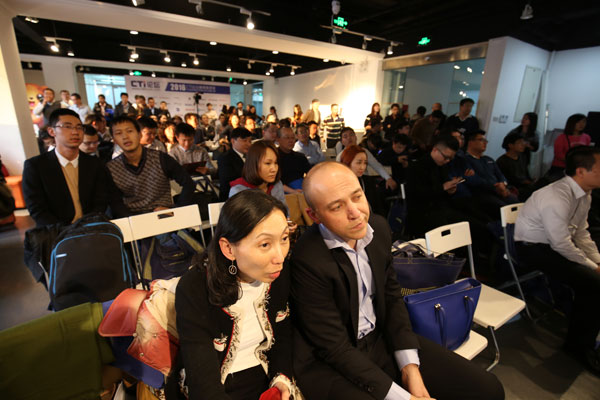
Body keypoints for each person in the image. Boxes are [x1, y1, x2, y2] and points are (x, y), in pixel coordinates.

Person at [290, 161, 505, 400]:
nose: (356, 212)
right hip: (332, 360)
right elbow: (333, 347)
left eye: (357, 196)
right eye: (337, 207)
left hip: (380, 338)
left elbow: (392, 297)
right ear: (314, 216)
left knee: (488, 389)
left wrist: (410, 368)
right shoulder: (307, 259)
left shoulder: (378, 228)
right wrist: (404, 398)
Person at [176, 190, 299, 399]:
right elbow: (203, 384)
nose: (279, 256)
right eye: (265, 244)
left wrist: (281, 379)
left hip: (264, 376)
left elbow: (282, 333)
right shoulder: (194, 287)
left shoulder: (278, 273)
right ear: (229, 249)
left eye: (284, 238)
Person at [515, 146, 600, 375]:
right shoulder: (557, 196)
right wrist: (593, 267)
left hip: (551, 245)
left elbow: (581, 232)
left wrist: (597, 261)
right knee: (593, 283)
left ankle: (582, 339)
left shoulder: (584, 194)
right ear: (581, 171)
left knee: (592, 282)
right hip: (532, 248)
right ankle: (578, 347)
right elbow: (561, 243)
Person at [23, 109, 108, 226]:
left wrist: (89, 226)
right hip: (55, 231)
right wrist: (65, 231)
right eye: (67, 127)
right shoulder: (35, 166)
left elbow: (100, 202)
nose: (75, 132)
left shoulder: (94, 164)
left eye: (79, 127)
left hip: (90, 228)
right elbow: (37, 209)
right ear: (52, 131)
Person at [106, 115, 195, 217]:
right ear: (114, 140)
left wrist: (176, 209)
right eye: (118, 133)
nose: (125, 137)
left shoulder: (160, 158)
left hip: (163, 216)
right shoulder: (111, 168)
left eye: (129, 131)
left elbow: (189, 183)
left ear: (139, 134)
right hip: (133, 220)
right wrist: (134, 219)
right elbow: (115, 203)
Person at [464, 130, 518, 217]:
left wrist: (503, 184)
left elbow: (500, 175)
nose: (485, 143)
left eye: (486, 141)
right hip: (482, 193)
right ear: (471, 142)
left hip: (500, 190)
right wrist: (496, 187)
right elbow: (474, 179)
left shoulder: (488, 159)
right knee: (504, 208)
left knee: (516, 203)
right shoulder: (466, 160)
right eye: (481, 140)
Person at [336, 127, 397, 192]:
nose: (349, 138)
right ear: (342, 142)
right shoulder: (340, 156)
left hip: (364, 182)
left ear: (356, 137)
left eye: (351, 135)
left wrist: (388, 178)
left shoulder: (364, 151)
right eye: (345, 136)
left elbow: (376, 165)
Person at [229, 141, 286, 207]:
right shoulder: (239, 191)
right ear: (253, 164)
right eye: (268, 163)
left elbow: (284, 211)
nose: (274, 169)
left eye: (276, 163)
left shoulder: (277, 185)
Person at [340, 145, 385, 214]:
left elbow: (378, 207)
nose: (362, 167)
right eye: (359, 163)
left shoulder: (368, 181)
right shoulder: (339, 184)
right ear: (347, 162)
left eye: (365, 163)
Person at [496, 132, 535, 201]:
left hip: (525, 187)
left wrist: (531, 180)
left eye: (523, 142)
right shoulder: (502, 161)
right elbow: (507, 180)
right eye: (519, 142)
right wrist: (526, 182)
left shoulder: (522, 157)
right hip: (513, 189)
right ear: (510, 145)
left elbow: (526, 174)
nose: (523, 144)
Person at [218, 127, 253, 201]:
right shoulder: (225, 158)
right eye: (245, 141)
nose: (248, 144)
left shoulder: (252, 156)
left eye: (250, 141)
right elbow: (228, 182)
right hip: (233, 197)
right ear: (233, 141)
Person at [277, 127, 311, 193]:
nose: (291, 140)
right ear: (278, 139)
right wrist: (292, 191)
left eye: (292, 138)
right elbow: (274, 182)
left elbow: (310, 174)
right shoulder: (274, 157)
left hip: (300, 188)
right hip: (281, 191)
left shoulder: (300, 157)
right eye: (287, 138)